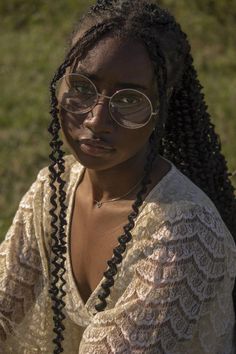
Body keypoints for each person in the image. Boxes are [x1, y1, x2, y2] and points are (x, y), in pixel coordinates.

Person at [1, 0, 236, 353]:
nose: (96, 120)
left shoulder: (184, 231)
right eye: (82, 86)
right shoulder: (54, 187)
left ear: (162, 106)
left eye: (129, 100)